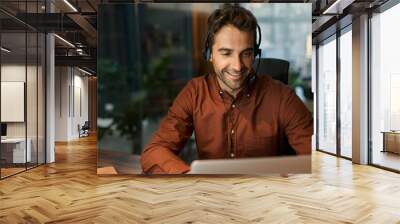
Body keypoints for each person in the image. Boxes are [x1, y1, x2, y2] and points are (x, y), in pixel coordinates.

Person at [140, 4, 313, 174]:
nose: (237, 66)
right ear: (210, 54)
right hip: (212, 197)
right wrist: (189, 178)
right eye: (226, 53)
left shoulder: (282, 97)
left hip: (268, 197)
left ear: (255, 54)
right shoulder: (195, 92)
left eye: (246, 53)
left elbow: (317, 157)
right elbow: (155, 151)